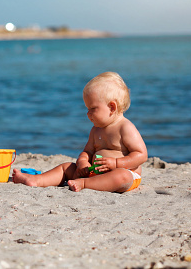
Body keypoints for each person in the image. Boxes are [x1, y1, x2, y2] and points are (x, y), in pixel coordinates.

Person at [13, 71, 147, 193]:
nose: (88, 113)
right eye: (87, 108)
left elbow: (141, 155)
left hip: (124, 173)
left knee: (121, 177)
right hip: (95, 173)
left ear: (112, 107)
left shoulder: (125, 127)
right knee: (66, 167)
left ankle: (84, 183)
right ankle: (37, 180)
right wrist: (83, 162)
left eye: (92, 108)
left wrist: (116, 164)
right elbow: (87, 151)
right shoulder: (96, 130)